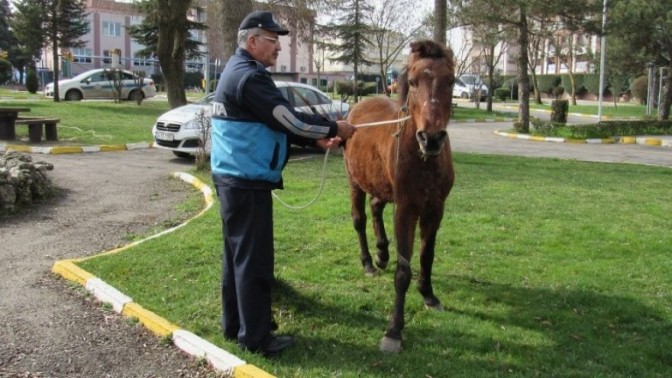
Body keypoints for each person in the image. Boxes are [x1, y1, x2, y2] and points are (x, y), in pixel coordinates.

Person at [210, 10, 356, 357]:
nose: (278, 48)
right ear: (252, 41)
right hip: (245, 182)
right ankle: (257, 338)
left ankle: (237, 326)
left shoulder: (241, 72)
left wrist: (314, 141)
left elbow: (271, 124)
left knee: (237, 259)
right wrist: (335, 129)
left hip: (234, 178)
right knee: (255, 262)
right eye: (273, 41)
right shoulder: (249, 77)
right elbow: (286, 118)